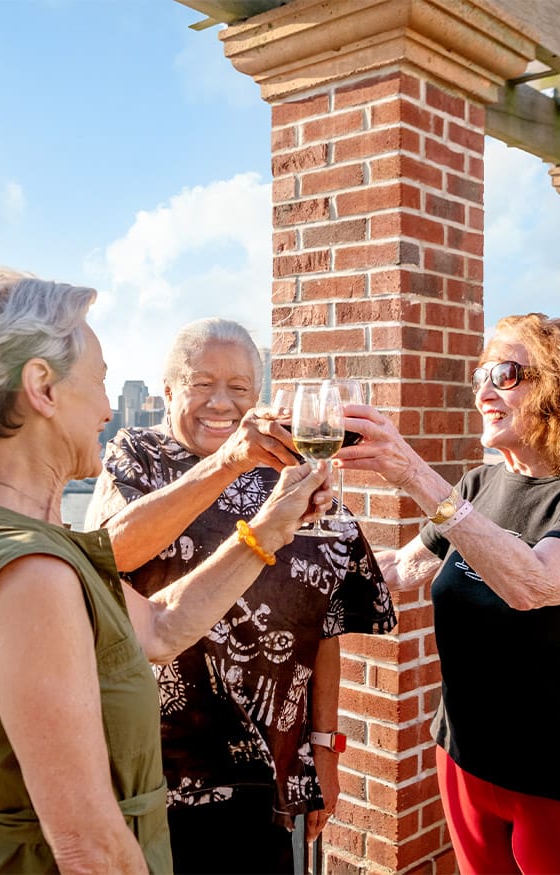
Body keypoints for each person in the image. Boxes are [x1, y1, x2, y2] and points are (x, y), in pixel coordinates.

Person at [0, 269, 332, 875]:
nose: (109, 408)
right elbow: (89, 847)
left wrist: (268, 529)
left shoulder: (2, 529)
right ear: (43, 389)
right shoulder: (32, 573)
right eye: (100, 381)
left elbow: (159, 625)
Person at [336, 313, 560, 875]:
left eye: (506, 374)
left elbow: (532, 583)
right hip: (467, 758)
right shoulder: (479, 486)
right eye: (481, 374)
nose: (483, 391)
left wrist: (412, 472)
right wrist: (285, 544)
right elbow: (400, 568)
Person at [85, 317, 397, 875]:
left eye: (239, 388)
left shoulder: (289, 472)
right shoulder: (140, 458)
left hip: (264, 762)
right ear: (168, 391)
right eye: (201, 384)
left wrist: (324, 744)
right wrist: (226, 461)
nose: (220, 402)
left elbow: (321, 619)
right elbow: (109, 552)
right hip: (154, 761)